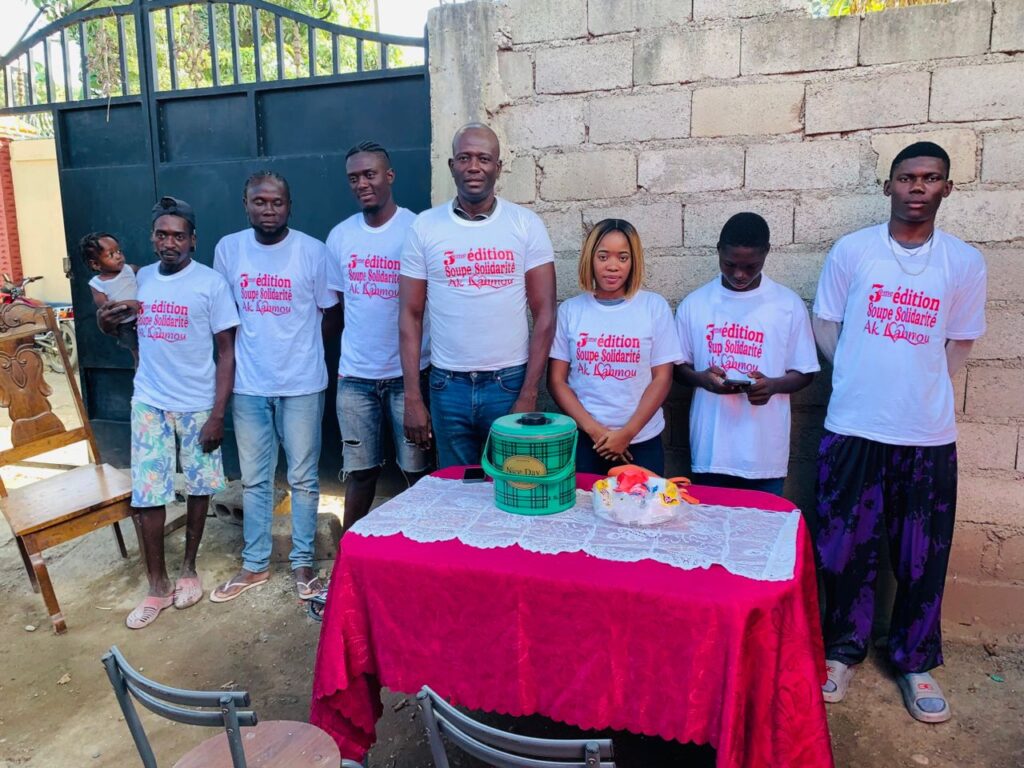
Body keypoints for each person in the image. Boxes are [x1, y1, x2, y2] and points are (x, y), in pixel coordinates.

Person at [811, 142, 986, 723]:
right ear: (888, 186)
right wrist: (858, 375)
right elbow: (826, 323)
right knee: (843, 547)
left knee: (921, 555)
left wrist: (918, 386)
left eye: (931, 178)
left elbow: (960, 342)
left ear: (946, 189)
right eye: (907, 177)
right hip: (853, 425)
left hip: (925, 433)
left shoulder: (963, 262)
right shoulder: (853, 251)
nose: (917, 187)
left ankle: (915, 661)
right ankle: (842, 651)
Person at [97, 197, 238, 629]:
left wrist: (218, 414)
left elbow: (227, 352)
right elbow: (120, 330)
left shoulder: (211, 284)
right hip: (150, 401)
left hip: (197, 403)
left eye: (178, 236)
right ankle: (157, 585)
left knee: (199, 487)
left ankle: (189, 569)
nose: (169, 243)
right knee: (149, 493)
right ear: (153, 238)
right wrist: (107, 323)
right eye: (162, 235)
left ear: (193, 240)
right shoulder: (139, 280)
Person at [210, 171, 338, 603]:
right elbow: (224, 317)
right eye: (260, 202)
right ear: (245, 205)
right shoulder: (229, 249)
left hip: (302, 383)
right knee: (254, 480)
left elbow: (331, 314)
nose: (269, 209)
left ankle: (303, 563)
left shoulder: (312, 251)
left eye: (277, 202)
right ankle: (254, 565)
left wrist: (301, 349)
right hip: (249, 384)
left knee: (303, 478)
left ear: (289, 206)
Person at [399, 123, 556, 469]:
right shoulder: (424, 227)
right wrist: (412, 396)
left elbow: (545, 312)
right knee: (456, 488)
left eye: (484, 159)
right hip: (446, 387)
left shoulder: (525, 224)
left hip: (508, 384)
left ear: (498, 168)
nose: (474, 166)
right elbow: (410, 315)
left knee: (514, 482)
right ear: (451, 165)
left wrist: (529, 392)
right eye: (465, 158)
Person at [674, 212, 818, 496]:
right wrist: (702, 380)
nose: (739, 274)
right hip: (711, 453)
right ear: (718, 251)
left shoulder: (787, 305)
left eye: (751, 266)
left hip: (764, 456)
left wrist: (773, 385)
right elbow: (677, 368)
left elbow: (805, 372)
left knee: (764, 523)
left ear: (766, 253)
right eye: (730, 264)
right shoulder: (695, 304)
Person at [326, 141, 430, 528]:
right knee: (360, 474)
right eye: (353, 178)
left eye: (370, 174)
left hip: (409, 376)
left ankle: (419, 551)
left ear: (390, 176)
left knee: (417, 474)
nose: (362, 184)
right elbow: (339, 306)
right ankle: (348, 553)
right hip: (355, 378)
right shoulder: (340, 236)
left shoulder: (416, 229)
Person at [548, 218, 680, 475]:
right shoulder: (571, 311)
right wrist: (596, 431)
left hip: (641, 441)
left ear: (633, 261)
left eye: (623, 257)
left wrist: (627, 433)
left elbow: (662, 378)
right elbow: (556, 381)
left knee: (644, 501)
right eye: (603, 256)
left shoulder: (654, 307)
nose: (612, 266)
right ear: (590, 259)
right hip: (587, 441)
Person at [82, 232, 140, 365]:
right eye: (111, 254)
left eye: (119, 251)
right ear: (96, 264)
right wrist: (130, 304)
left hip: (144, 318)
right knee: (138, 355)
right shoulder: (97, 284)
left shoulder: (129, 269)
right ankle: (140, 372)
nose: (118, 256)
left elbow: (148, 273)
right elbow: (106, 308)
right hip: (125, 323)